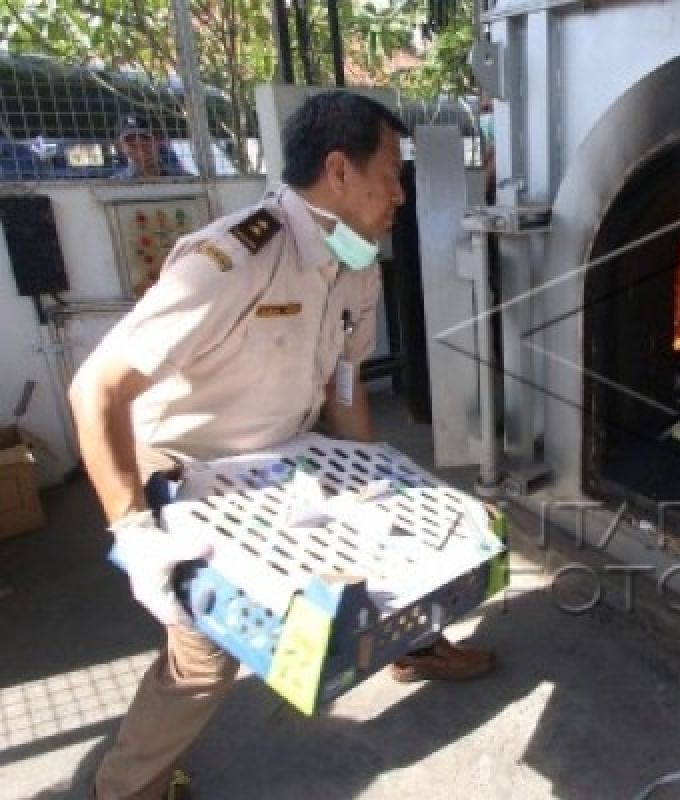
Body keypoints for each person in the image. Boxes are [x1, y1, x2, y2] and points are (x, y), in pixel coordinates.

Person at [71, 90, 495, 800]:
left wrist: (377, 478)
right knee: (204, 657)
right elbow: (95, 390)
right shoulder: (233, 260)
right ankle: (125, 787)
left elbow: (345, 384)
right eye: (390, 174)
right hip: (189, 470)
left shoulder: (354, 259)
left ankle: (411, 640)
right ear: (338, 170)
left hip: (284, 457)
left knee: (400, 534)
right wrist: (137, 536)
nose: (399, 194)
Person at [113, 112, 187, 179]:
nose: (141, 150)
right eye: (131, 144)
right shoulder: (115, 184)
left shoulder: (183, 178)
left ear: (157, 141)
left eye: (145, 139)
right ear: (120, 147)